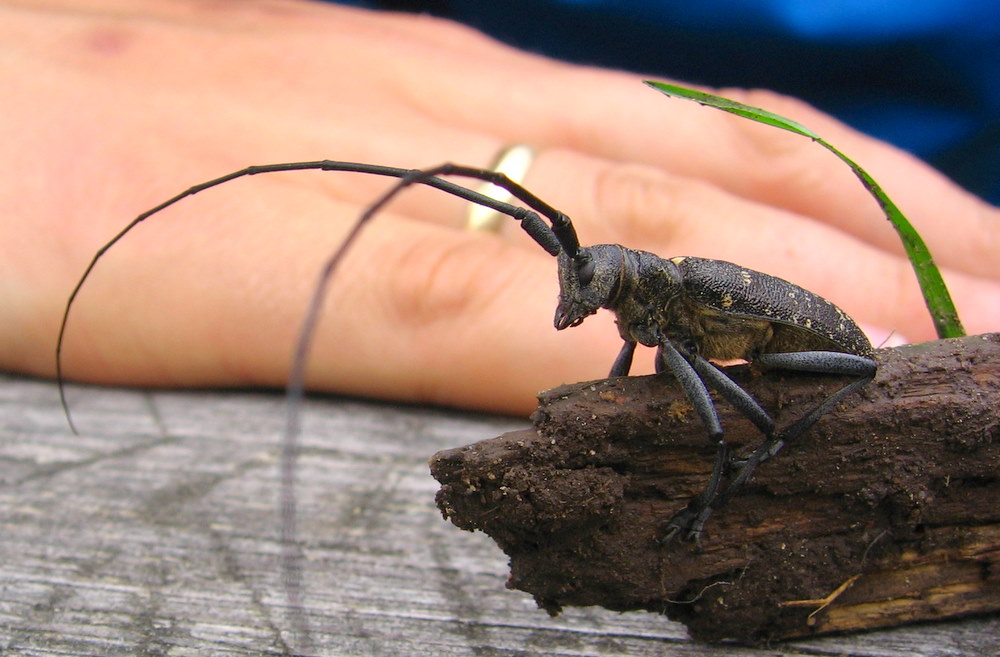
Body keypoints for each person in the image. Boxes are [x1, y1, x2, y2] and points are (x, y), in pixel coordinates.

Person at [3, 0, 997, 415]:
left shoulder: (679, 299)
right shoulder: (643, 315)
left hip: (904, 247)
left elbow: (720, 405)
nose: (577, 296)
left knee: (740, 416)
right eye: (582, 283)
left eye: (586, 281)